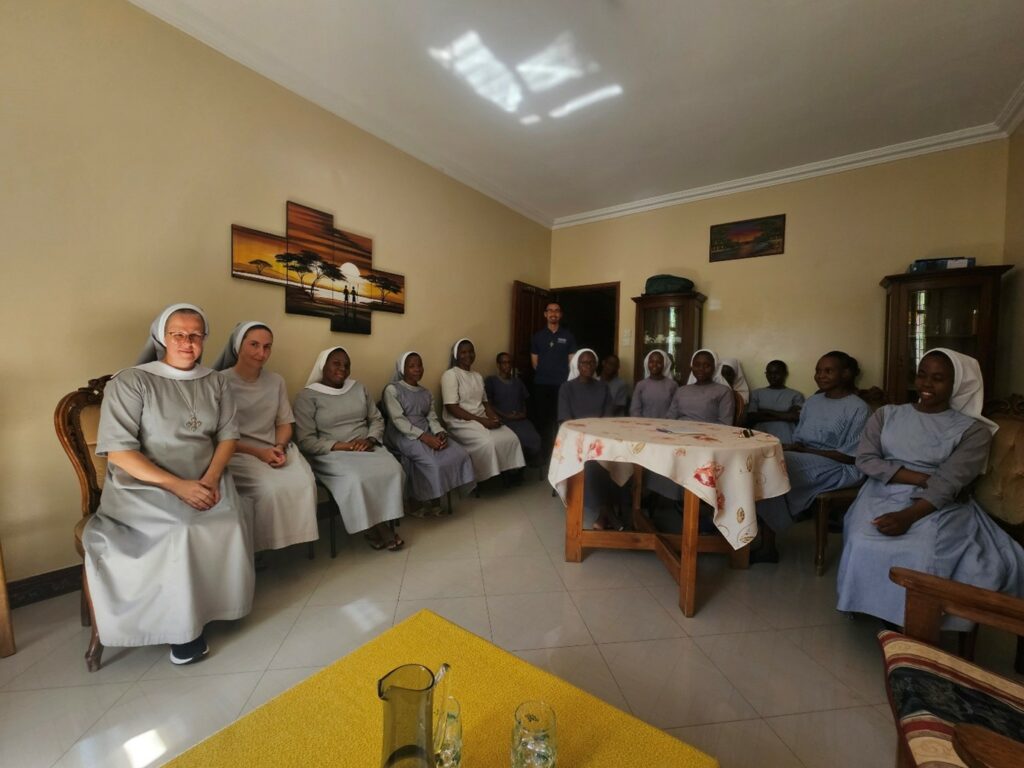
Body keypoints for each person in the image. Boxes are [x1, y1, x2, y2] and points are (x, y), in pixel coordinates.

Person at [82, 303, 254, 665]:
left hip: (205, 475)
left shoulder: (216, 381)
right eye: (178, 334)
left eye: (195, 335)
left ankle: (216, 606)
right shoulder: (131, 381)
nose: (187, 342)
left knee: (231, 517)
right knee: (181, 527)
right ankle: (183, 631)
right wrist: (178, 486)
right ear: (162, 337)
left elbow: (228, 437)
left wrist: (210, 479)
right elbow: (119, 453)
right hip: (145, 483)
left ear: (205, 339)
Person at [837, 349, 1024, 627]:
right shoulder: (886, 415)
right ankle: (869, 602)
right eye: (922, 375)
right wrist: (922, 477)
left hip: (936, 501)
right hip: (882, 490)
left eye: (938, 379)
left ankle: (911, 618)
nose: (926, 384)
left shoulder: (973, 431)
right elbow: (865, 460)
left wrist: (908, 516)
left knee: (922, 550)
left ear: (956, 384)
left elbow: (949, 481)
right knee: (862, 538)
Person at [754, 351, 870, 561]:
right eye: (818, 371)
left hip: (842, 466)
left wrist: (804, 451)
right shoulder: (813, 401)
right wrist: (791, 447)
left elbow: (851, 457)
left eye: (828, 371)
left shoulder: (858, 408)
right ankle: (766, 541)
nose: (820, 376)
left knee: (775, 469)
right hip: (808, 457)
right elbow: (800, 438)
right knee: (763, 461)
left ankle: (769, 543)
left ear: (845, 373)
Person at [213, 321, 318, 553]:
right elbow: (218, 435)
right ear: (238, 346)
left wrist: (279, 446)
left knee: (305, 483)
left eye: (267, 347)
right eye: (254, 345)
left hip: (275, 448)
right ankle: (260, 548)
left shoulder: (276, 381)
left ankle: (292, 540)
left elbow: (284, 423)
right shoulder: (219, 382)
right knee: (269, 489)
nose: (261, 353)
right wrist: (259, 453)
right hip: (237, 452)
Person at [293, 347, 405, 550]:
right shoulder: (307, 397)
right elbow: (306, 441)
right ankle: (378, 528)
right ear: (323, 366)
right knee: (357, 478)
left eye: (346, 365)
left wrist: (370, 439)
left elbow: (376, 419)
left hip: (366, 447)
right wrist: (344, 446)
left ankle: (377, 524)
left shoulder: (359, 388)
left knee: (394, 469)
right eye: (336, 363)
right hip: (333, 453)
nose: (342, 368)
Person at [383, 351, 475, 515]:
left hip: (426, 429)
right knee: (432, 462)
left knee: (459, 453)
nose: (417, 369)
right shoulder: (392, 390)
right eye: (411, 366)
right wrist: (425, 437)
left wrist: (439, 432)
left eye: (420, 365)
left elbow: (431, 416)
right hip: (402, 433)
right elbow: (398, 420)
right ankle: (429, 500)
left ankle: (436, 497)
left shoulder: (426, 392)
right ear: (402, 369)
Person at [441, 338, 525, 483]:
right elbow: (452, 407)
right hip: (461, 422)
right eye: (463, 352)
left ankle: (507, 473)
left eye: (471, 351)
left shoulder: (477, 376)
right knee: (488, 442)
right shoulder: (450, 375)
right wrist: (482, 421)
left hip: (482, 417)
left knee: (511, 438)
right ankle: (484, 478)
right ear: (456, 355)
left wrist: (493, 418)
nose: (468, 355)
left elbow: (485, 403)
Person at [558, 349, 621, 530]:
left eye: (592, 362)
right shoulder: (567, 388)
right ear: (577, 365)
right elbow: (565, 420)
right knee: (593, 464)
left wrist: (597, 436)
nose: (588, 366)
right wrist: (584, 439)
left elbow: (608, 418)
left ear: (596, 365)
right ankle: (606, 512)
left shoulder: (603, 387)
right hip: (575, 440)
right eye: (584, 362)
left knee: (618, 461)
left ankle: (609, 511)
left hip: (600, 438)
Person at [530, 302, 577, 458]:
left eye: (557, 311)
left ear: (560, 315)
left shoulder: (568, 336)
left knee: (561, 420)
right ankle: (544, 455)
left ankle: (560, 454)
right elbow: (535, 363)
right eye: (550, 311)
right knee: (543, 421)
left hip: (562, 386)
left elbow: (572, 363)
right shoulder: (538, 336)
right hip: (542, 385)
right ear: (545, 314)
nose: (553, 313)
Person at [484, 352, 542, 466]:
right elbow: (489, 405)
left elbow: (524, 400)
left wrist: (523, 413)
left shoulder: (517, 382)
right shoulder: (491, 381)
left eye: (509, 363)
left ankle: (529, 463)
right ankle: (515, 467)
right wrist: (506, 415)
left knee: (535, 438)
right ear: (498, 365)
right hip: (503, 420)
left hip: (520, 420)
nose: (507, 365)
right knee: (514, 440)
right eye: (504, 363)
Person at [667, 349, 735, 425]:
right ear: (692, 367)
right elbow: (670, 418)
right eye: (697, 365)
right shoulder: (681, 390)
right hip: (677, 430)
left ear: (715, 367)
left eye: (707, 366)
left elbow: (725, 423)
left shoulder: (724, 391)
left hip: (709, 431)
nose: (701, 369)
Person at [747, 360, 804, 443]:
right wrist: (784, 415)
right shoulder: (756, 393)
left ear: (785, 374)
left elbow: (793, 416)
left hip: (786, 437)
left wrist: (765, 412)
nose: (772, 376)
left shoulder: (795, 395)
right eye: (769, 373)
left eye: (776, 373)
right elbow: (752, 417)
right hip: (760, 436)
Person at [629, 350, 679, 418]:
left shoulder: (673, 385)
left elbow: (675, 409)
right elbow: (635, 409)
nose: (654, 365)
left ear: (664, 364)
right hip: (643, 423)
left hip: (666, 423)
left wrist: (666, 422)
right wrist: (642, 422)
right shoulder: (640, 385)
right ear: (647, 364)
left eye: (659, 362)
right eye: (651, 362)